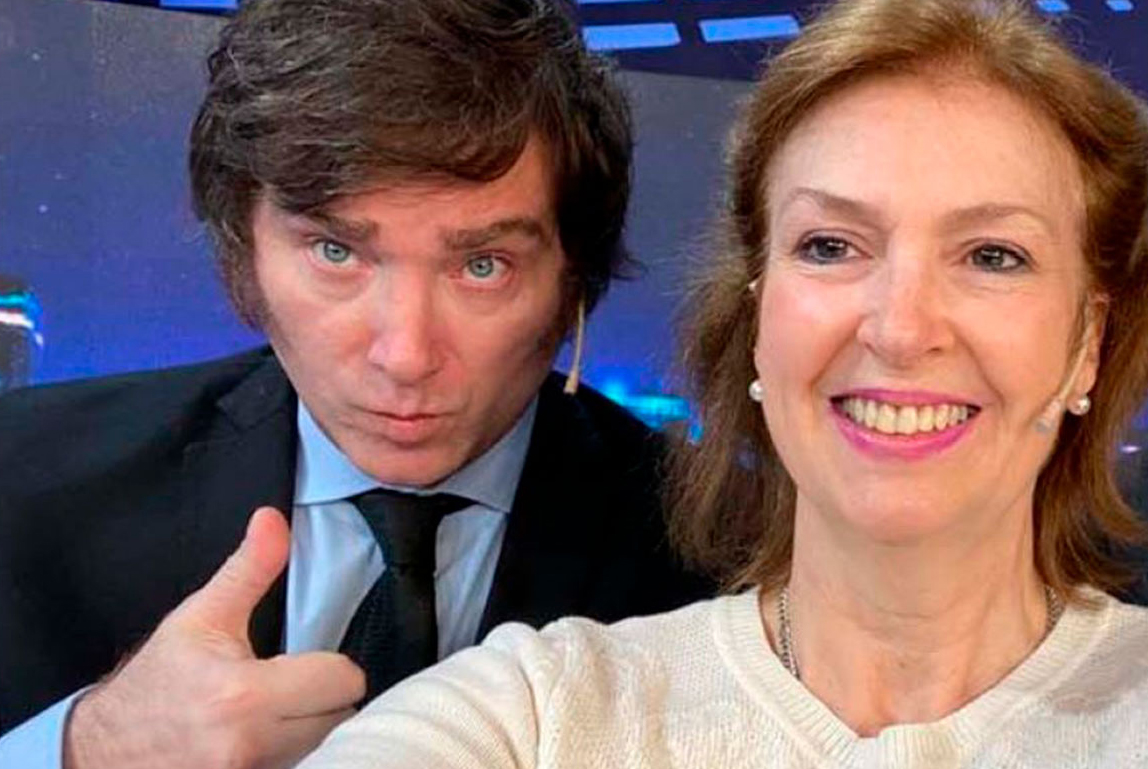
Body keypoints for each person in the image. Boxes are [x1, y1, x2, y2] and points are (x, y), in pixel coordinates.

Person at [294, 0, 1148, 766]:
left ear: (1087, 341)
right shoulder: (538, 710)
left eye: (994, 256)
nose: (900, 327)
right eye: (830, 246)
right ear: (758, 314)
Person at [0, 0, 713, 766]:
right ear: (244, 253)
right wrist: (87, 745)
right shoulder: (24, 477)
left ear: (573, 280)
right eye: (335, 252)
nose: (405, 354)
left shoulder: (718, 556)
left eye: (483, 265)